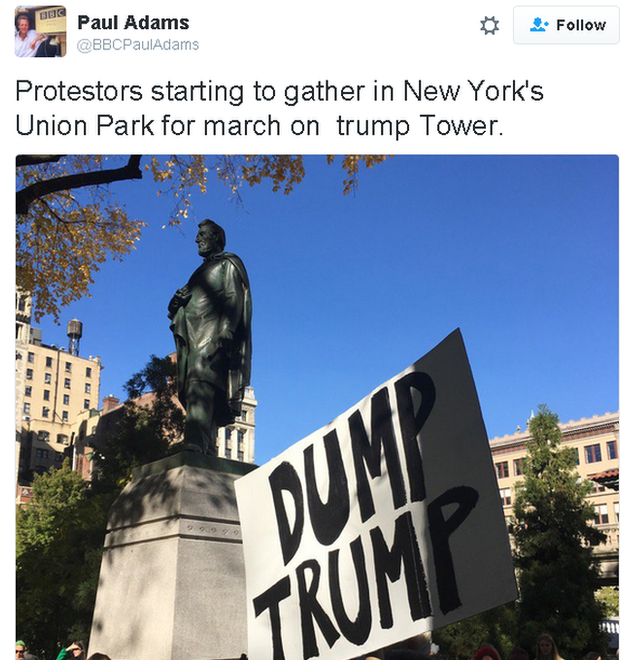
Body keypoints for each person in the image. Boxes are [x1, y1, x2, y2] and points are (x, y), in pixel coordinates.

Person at [168, 219, 252, 454]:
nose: (197, 239)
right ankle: (208, 448)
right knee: (199, 386)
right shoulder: (200, 271)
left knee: (201, 384)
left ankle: (196, 443)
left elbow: (234, 297)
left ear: (216, 237)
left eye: (203, 234)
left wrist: (227, 330)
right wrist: (176, 303)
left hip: (212, 335)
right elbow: (187, 303)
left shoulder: (228, 264)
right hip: (194, 337)